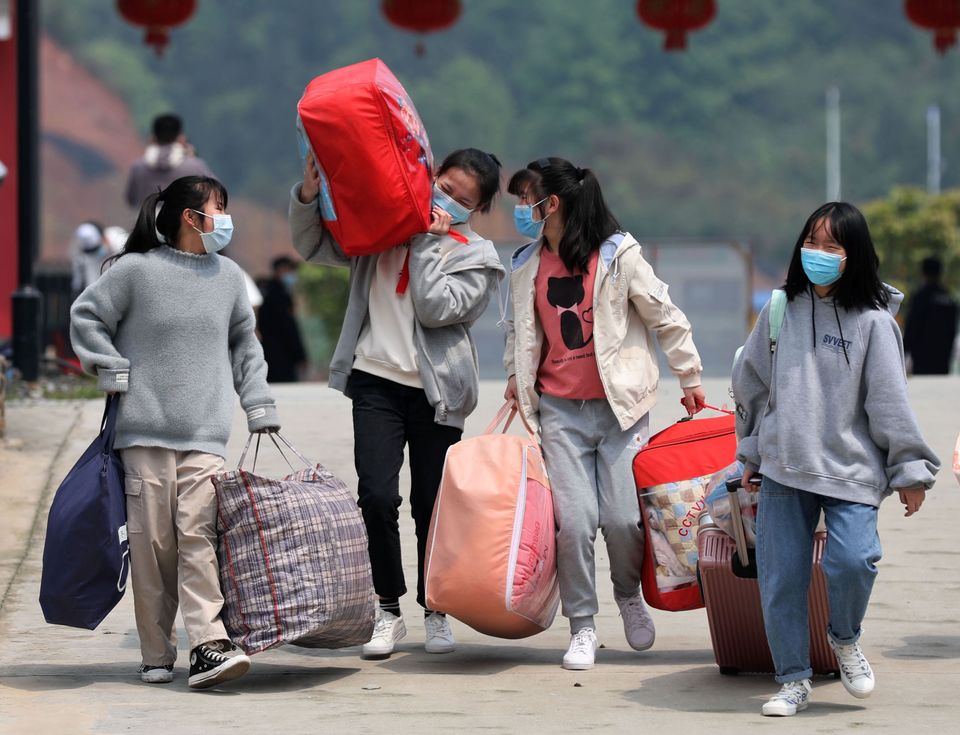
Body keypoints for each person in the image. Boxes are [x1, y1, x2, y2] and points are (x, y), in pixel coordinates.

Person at [289, 147, 505, 659]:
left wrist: (428, 241)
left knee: (432, 505)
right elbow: (314, 245)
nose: (447, 200)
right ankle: (388, 609)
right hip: (374, 382)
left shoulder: (478, 256)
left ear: (475, 210)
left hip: (438, 395)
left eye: (462, 200)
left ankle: (437, 608)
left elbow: (435, 311)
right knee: (377, 497)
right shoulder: (383, 228)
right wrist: (307, 194)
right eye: (445, 186)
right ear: (430, 176)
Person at [71, 175, 279, 689]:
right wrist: (112, 369)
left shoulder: (229, 277)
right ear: (192, 217)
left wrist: (259, 404)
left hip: (206, 434)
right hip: (142, 434)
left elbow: (245, 348)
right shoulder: (135, 272)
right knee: (153, 548)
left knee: (198, 538)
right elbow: (86, 317)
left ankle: (208, 644)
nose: (225, 218)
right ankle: (156, 653)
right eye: (219, 207)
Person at [732, 202, 940, 717]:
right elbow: (752, 383)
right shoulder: (781, 308)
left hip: (852, 470)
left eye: (832, 246)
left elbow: (889, 401)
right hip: (785, 465)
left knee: (854, 560)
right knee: (781, 579)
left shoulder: (874, 322)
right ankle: (793, 679)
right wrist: (753, 450)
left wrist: (909, 470)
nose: (817, 254)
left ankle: (844, 638)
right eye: (811, 242)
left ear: (854, 256)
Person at [502, 157, 705, 671]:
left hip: (622, 411)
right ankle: (583, 626)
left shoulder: (618, 255)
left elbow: (666, 317)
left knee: (622, 520)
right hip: (560, 412)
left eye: (527, 198)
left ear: (555, 203)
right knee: (573, 524)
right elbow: (521, 332)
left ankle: (628, 595)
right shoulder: (525, 262)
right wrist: (515, 377)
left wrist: (691, 377)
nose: (520, 209)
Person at [125, 114, 215, 209]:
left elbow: (131, 199)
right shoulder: (195, 166)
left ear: (153, 138)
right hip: (183, 221)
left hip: (147, 221)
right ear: (180, 137)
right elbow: (216, 191)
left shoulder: (138, 168)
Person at [903, 256, 958, 375]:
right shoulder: (949, 299)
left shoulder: (921, 297)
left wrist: (903, 351)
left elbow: (912, 326)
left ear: (923, 273)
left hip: (922, 358)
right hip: (943, 358)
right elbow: (952, 331)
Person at [258, 256, 307, 382]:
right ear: (280, 270)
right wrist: (300, 355)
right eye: (290, 270)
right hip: (280, 356)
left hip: (268, 354)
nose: (292, 274)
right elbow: (289, 327)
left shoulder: (268, 291)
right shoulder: (278, 295)